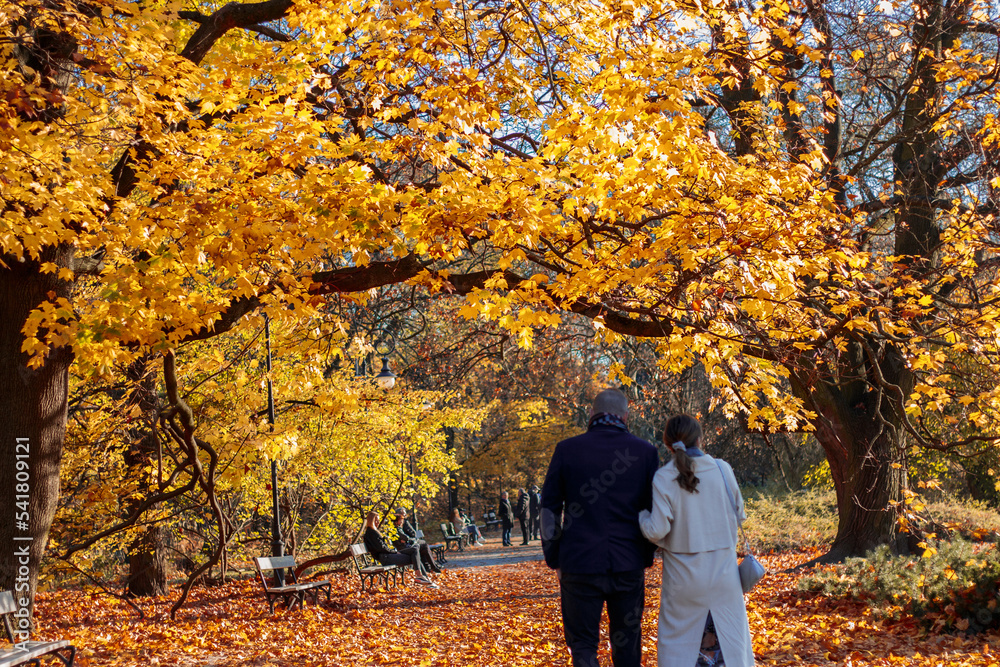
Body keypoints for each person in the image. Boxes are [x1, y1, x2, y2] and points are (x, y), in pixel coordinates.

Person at [541, 387, 659, 667]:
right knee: (627, 642)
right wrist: (645, 553)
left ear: (591, 414)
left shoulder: (567, 450)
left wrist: (554, 556)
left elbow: (549, 509)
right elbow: (657, 509)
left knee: (582, 646)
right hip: (628, 564)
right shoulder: (645, 452)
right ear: (626, 416)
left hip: (578, 564)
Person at [638, 415, 754, 667]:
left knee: (679, 650)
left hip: (683, 582)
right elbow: (739, 514)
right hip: (723, 577)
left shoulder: (663, 477)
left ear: (668, 444)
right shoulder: (723, 470)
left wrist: (642, 516)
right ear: (700, 438)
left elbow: (656, 530)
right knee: (730, 647)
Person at [363, 511, 438, 588]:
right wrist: (394, 552)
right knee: (415, 557)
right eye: (376, 520)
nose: (378, 522)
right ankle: (423, 578)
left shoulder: (374, 531)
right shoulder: (371, 533)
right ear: (371, 520)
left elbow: (383, 547)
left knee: (415, 549)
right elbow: (381, 548)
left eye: (378, 520)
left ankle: (422, 577)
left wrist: (394, 552)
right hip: (385, 557)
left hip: (388, 555)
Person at [393, 508, 442, 573]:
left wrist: (409, 539)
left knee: (423, 547)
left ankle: (429, 567)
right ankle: (432, 567)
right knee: (423, 546)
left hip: (408, 545)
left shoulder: (400, 526)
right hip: (405, 547)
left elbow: (411, 535)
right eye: (403, 515)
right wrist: (410, 540)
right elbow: (407, 537)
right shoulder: (398, 528)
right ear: (398, 518)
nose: (405, 516)